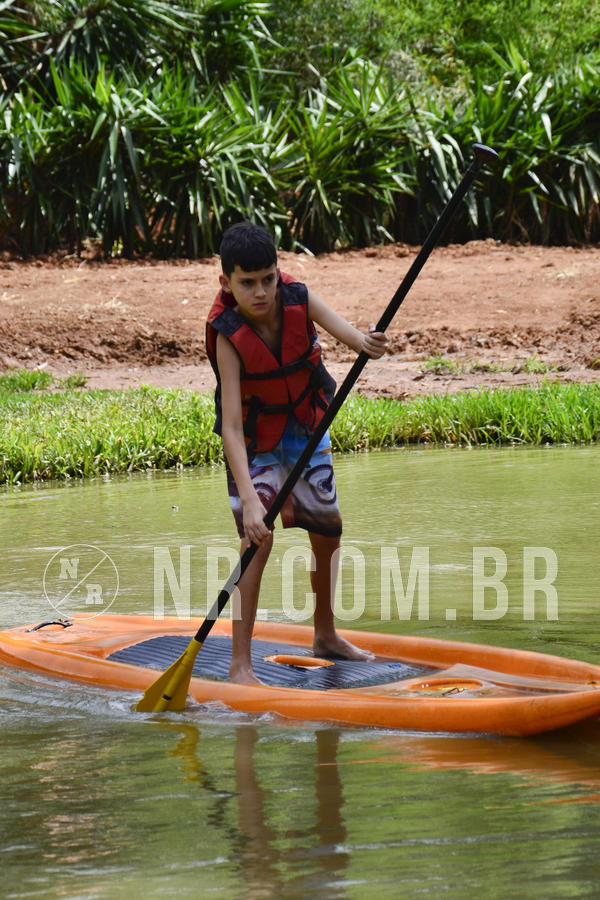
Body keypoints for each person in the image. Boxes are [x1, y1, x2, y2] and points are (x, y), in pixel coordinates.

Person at [206, 222, 388, 683]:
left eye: (268, 278)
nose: (261, 291)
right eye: (247, 283)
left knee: (327, 534)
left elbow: (356, 340)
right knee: (256, 544)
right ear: (225, 282)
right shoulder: (228, 334)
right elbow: (229, 426)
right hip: (253, 442)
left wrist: (372, 344)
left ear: (278, 271)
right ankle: (239, 664)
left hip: (306, 428)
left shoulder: (298, 297)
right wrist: (250, 499)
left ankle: (325, 635)